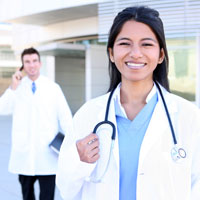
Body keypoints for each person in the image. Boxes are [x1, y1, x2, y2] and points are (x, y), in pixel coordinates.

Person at [56, 6, 200, 200]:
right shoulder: (89, 114)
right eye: (125, 43)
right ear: (111, 53)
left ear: (161, 55)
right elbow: (66, 190)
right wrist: (80, 163)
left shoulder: (188, 116)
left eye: (146, 44)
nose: (135, 53)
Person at [0, 47, 73, 200]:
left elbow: (66, 117)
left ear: (40, 63)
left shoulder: (53, 88)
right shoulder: (17, 87)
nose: (31, 65)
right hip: (24, 153)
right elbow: (2, 109)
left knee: (47, 196)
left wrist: (72, 142)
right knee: (27, 195)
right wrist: (13, 87)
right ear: (22, 66)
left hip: (47, 154)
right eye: (27, 62)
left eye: (34, 61)